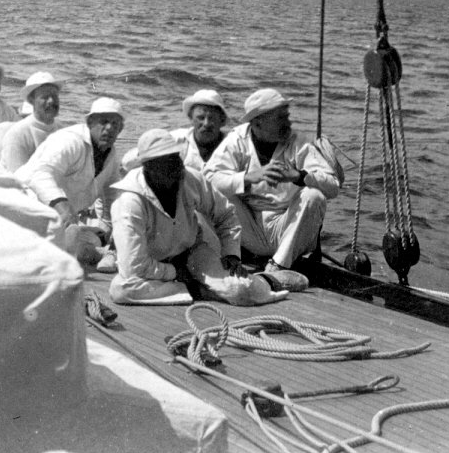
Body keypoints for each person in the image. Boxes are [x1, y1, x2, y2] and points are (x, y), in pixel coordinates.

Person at [109, 129, 278, 306]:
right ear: (149, 167)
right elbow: (134, 267)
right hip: (152, 266)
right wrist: (174, 271)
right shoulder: (129, 202)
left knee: (238, 289)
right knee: (121, 289)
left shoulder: (190, 178)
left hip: (192, 254)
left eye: (176, 157)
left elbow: (226, 214)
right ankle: (196, 290)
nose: (178, 166)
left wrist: (231, 253)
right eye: (167, 162)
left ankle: (267, 281)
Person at [203, 88, 342, 291]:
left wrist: (299, 176)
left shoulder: (299, 142)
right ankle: (227, 257)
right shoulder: (238, 139)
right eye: (280, 118)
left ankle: (278, 266)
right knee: (218, 193)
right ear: (258, 122)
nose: (288, 123)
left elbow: (333, 186)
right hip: (248, 229)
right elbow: (207, 180)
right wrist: (248, 178)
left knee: (314, 195)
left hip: (288, 228)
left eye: (287, 116)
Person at [17, 97, 126, 262]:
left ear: (120, 130)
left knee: (95, 239)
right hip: (24, 207)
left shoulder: (111, 156)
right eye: (104, 122)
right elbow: (39, 174)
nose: (109, 128)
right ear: (90, 123)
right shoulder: (70, 141)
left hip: (57, 222)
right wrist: (64, 208)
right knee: (77, 244)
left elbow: (112, 196)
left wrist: (112, 228)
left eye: (115, 124)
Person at [0, 71, 62, 172]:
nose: (51, 101)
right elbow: (18, 177)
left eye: (54, 96)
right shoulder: (18, 134)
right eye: (45, 97)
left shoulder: (63, 131)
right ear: (31, 100)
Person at [176, 89, 231, 169]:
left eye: (212, 118)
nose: (206, 124)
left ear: (221, 120)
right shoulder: (176, 141)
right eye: (201, 118)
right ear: (191, 118)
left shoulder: (234, 146)